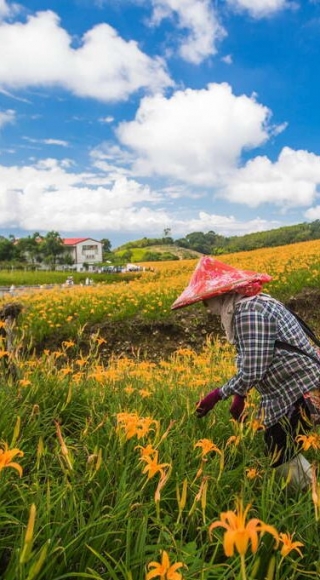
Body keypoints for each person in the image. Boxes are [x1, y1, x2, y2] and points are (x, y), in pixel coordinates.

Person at [171, 257, 320, 491]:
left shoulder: (247, 311)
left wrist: (219, 394)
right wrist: (240, 393)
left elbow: (253, 368)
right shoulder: (255, 302)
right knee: (282, 444)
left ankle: (312, 499)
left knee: (279, 450)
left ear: (219, 295)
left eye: (205, 302)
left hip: (301, 389)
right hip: (299, 385)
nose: (207, 310)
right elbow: (258, 358)